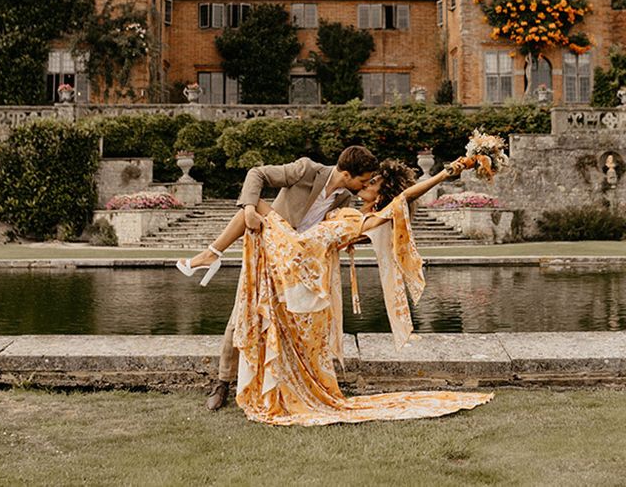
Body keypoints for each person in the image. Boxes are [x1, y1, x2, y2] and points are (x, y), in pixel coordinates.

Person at [232, 156, 494, 425]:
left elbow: (403, 197)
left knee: (297, 349)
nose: (368, 184)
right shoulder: (346, 208)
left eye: (375, 183)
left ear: (382, 196)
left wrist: (443, 175)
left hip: (304, 277)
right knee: (251, 210)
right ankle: (210, 253)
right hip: (294, 265)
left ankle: (291, 395)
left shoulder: (369, 219)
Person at [176, 145, 380, 410]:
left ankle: (212, 254)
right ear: (346, 173)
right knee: (243, 314)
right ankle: (223, 382)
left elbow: (327, 231)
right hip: (270, 248)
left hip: (297, 261)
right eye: (363, 180)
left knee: (288, 324)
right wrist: (250, 208)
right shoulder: (306, 170)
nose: (365, 185)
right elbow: (257, 174)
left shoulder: (343, 198)